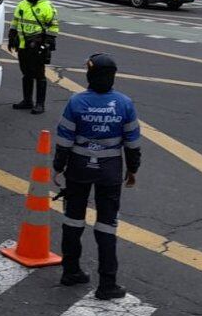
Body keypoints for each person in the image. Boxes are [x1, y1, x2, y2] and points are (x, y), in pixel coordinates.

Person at [54, 53, 141, 300]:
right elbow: (132, 142)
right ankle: (107, 284)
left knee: (73, 221)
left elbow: (64, 139)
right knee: (106, 225)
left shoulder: (76, 102)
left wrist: (58, 167)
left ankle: (71, 271)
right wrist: (132, 170)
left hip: (78, 170)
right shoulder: (124, 103)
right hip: (109, 172)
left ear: (90, 75)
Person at [7, 0, 59, 114]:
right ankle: (27, 101)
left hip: (38, 47)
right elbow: (15, 21)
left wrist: (45, 44)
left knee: (39, 75)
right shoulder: (23, 4)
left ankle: (40, 104)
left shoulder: (47, 7)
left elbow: (53, 28)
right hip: (23, 46)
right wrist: (12, 36)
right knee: (26, 73)